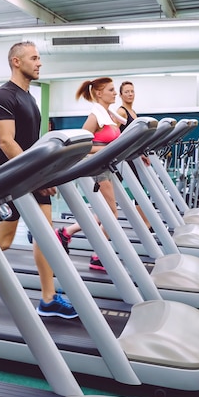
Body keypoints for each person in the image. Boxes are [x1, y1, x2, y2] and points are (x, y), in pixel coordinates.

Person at [0, 41, 78, 319]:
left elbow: (31, 144)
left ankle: (48, 299)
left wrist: (43, 173)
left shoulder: (30, 98)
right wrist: (35, 175)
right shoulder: (3, 96)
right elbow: (7, 142)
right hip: (10, 178)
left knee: (46, 239)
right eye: (34, 58)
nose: (39, 63)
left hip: (32, 176)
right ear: (16, 62)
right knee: (2, 241)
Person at [55, 77, 125, 270]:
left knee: (104, 213)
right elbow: (82, 145)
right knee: (111, 214)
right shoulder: (94, 116)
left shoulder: (109, 115)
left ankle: (65, 232)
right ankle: (98, 256)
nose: (115, 93)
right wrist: (104, 151)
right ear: (99, 93)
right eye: (111, 90)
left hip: (106, 166)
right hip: (97, 169)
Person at [116, 80, 152, 229]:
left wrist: (142, 153)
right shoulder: (121, 111)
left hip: (131, 155)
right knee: (137, 189)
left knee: (138, 188)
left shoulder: (133, 112)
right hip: (122, 158)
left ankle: (146, 224)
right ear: (121, 94)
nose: (130, 94)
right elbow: (114, 133)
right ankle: (146, 224)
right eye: (127, 92)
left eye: (132, 91)